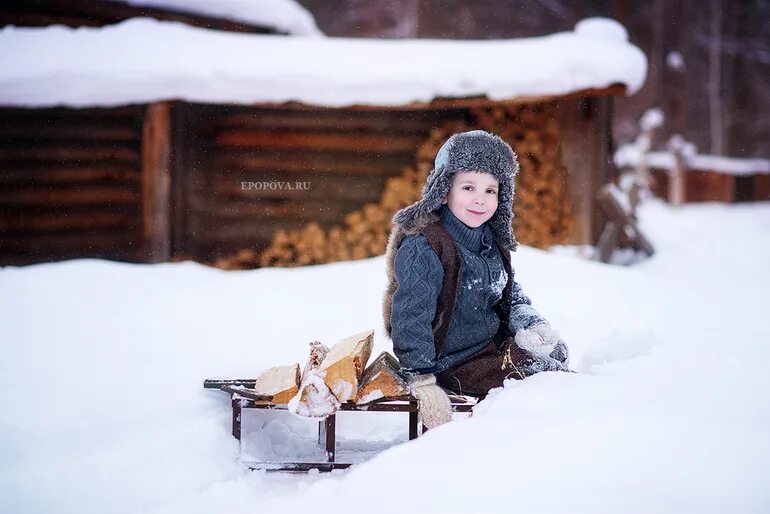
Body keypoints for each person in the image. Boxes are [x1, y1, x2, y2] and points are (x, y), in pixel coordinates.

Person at [382, 130, 570, 428]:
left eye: (490, 191)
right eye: (468, 187)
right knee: (540, 376)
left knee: (554, 352)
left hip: (489, 347)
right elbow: (410, 315)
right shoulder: (425, 245)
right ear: (444, 190)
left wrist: (530, 322)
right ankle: (531, 434)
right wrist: (422, 379)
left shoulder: (487, 240)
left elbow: (506, 290)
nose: (479, 200)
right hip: (452, 361)